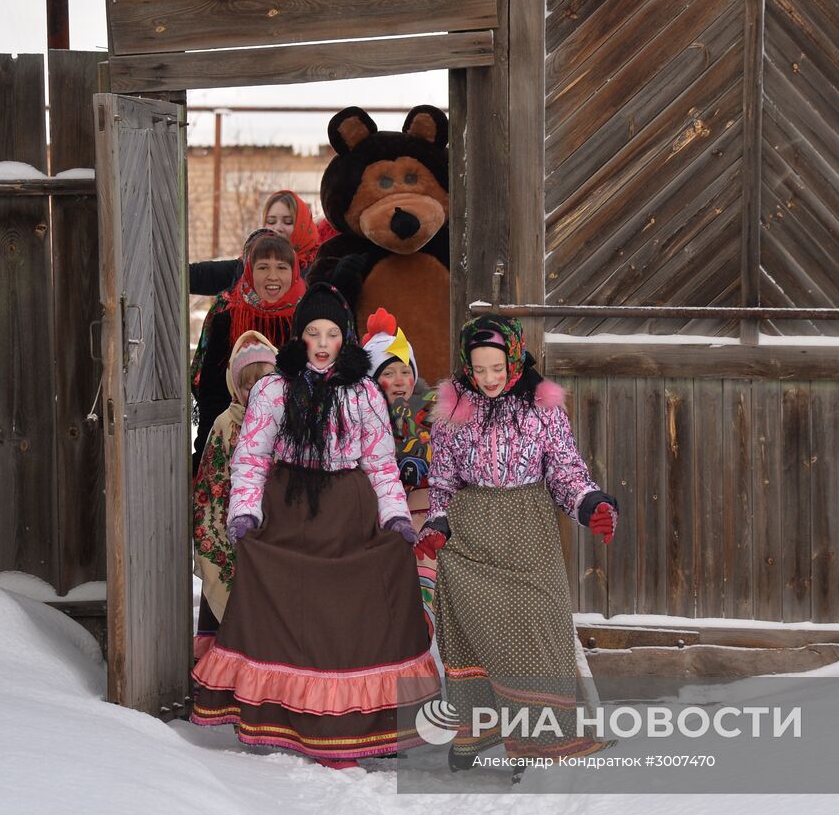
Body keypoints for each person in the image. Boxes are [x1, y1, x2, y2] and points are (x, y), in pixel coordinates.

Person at [190, 284, 439, 769]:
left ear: (344, 338)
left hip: (350, 510)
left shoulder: (363, 391)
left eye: (331, 333)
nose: (322, 343)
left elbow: (382, 462)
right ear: (299, 337)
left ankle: (362, 724)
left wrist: (393, 514)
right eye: (312, 333)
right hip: (288, 508)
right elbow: (252, 456)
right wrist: (245, 509)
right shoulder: (274, 388)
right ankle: (288, 722)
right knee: (292, 609)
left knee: (362, 605)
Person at [417, 313, 619, 769]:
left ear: (513, 358)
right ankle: (484, 725)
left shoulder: (542, 406)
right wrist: (438, 525)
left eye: (497, 367)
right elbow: (444, 481)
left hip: (528, 530)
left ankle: (541, 739)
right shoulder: (452, 408)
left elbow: (566, 471)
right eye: (479, 368)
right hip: (471, 534)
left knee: (537, 625)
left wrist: (590, 506)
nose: (488, 378)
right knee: (475, 630)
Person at [189, 229, 304, 475]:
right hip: (236, 452)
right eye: (263, 267)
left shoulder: (306, 323)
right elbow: (213, 397)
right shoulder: (228, 320)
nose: (272, 276)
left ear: (293, 272)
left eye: (282, 267)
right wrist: (203, 455)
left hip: (294, 454)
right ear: (250, 271)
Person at [192, 331, 278, 660]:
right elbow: (210, 495)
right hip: (235, 543)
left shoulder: (288, 421)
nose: (256, 392)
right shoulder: (225, 426)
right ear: (233, 385)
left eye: (265, 382)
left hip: (277, 543)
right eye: (247, 384)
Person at [361, 308, 439, 636]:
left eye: (405, 371)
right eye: (388, 373)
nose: (399, 381)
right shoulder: (363, 414)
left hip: (421, 510)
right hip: (378, 512)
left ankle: (421, 619)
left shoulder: (431, 412)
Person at [187, 190, 320, 296]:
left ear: (303, 225)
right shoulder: (247, 266)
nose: (277, 228)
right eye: (271, 221)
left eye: (288, 221)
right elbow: (199, 277)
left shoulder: (320, 269)